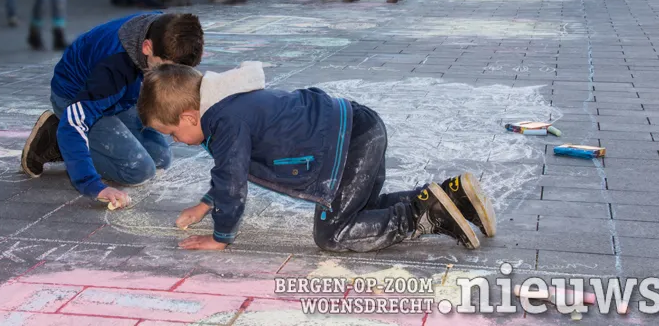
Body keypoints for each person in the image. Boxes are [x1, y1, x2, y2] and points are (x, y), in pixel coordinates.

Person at [136, 62, 497, 252]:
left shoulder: (226, 121)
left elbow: (231, 180)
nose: (178, 141)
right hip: (359, 127)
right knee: (361, 211)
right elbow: (235, 169)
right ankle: (453, 198)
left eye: (172, 133)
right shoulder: (228, 108)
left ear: (189, 116)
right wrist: (204, 205)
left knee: (335, 234)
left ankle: (426, 215)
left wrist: (221, 236)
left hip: (348, 144)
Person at [20, 13, 204, 208]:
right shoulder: (114, 68)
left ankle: (80, 137)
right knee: (138, 171)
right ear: (146, 47)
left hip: (120, 96)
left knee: (161, 159)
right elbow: (76, 120)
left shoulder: (166, 30)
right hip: (76, 97)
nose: (169, 79)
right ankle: (57, 140)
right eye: (163, 69)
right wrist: (93, 186)